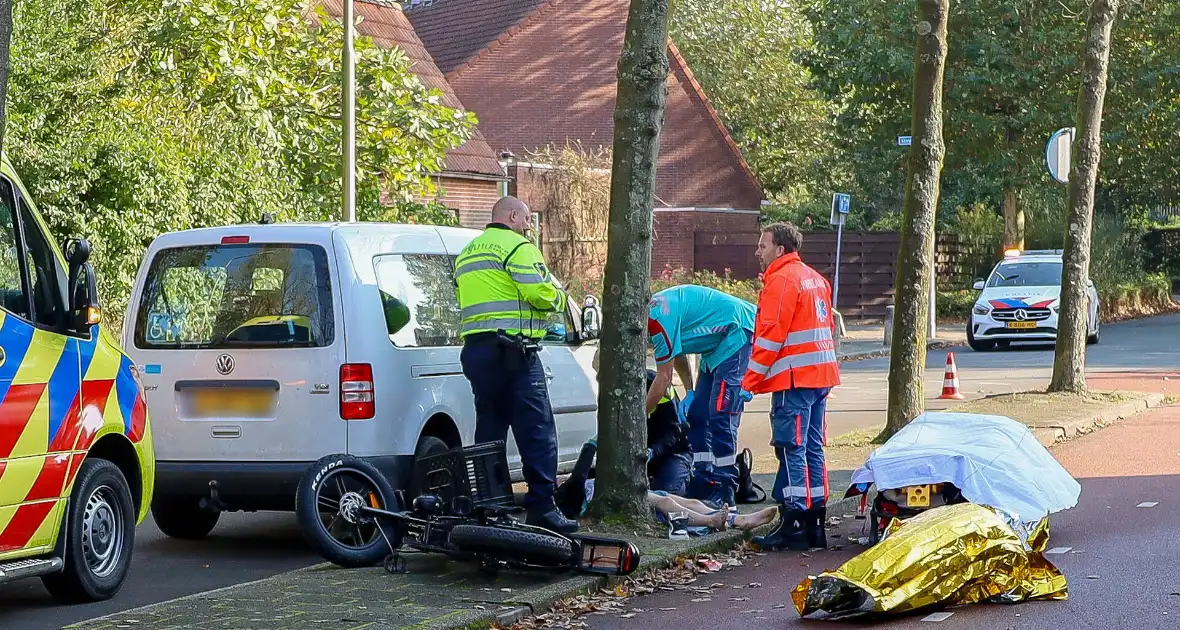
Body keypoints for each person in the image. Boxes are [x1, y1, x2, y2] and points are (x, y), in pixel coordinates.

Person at [454, 196, 578, 534]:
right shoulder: (517, 248)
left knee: (490, 432)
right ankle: (542, 507)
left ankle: (492, 507)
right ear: (511, 216)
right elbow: (539, 294)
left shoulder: (468, 252)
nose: (529, 226)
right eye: (526, 219)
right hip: (514, 352)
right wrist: (560, 297)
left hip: (477, 352)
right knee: (537, 430)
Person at [742, 222, 840, 551]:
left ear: (779, 249)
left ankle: (795, 523)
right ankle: (815, 523)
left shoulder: (782, 280)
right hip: (820, 377)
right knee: (813, 447)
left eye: (762, 245)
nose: (758, 251)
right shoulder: (816, 279)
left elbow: (770, 336)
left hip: (794, 379)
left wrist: (749, 383)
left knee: (792, 449)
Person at [647, 285, 756, 506]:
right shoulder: (657, 314)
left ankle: (725, 489)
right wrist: (690, 391)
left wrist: (641, 416)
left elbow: (663, 378)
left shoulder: (656, 321)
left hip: (736, 331)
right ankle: (704, 481)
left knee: (720, 415)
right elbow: (676, 355)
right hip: (715, 346)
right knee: (697, 415)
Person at [646, 369, 692, 495]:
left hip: (673, 452)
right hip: (644, 456)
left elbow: (675, 432)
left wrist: (653, 451)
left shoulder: (655, 383)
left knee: (668, 493)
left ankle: (695, 478)